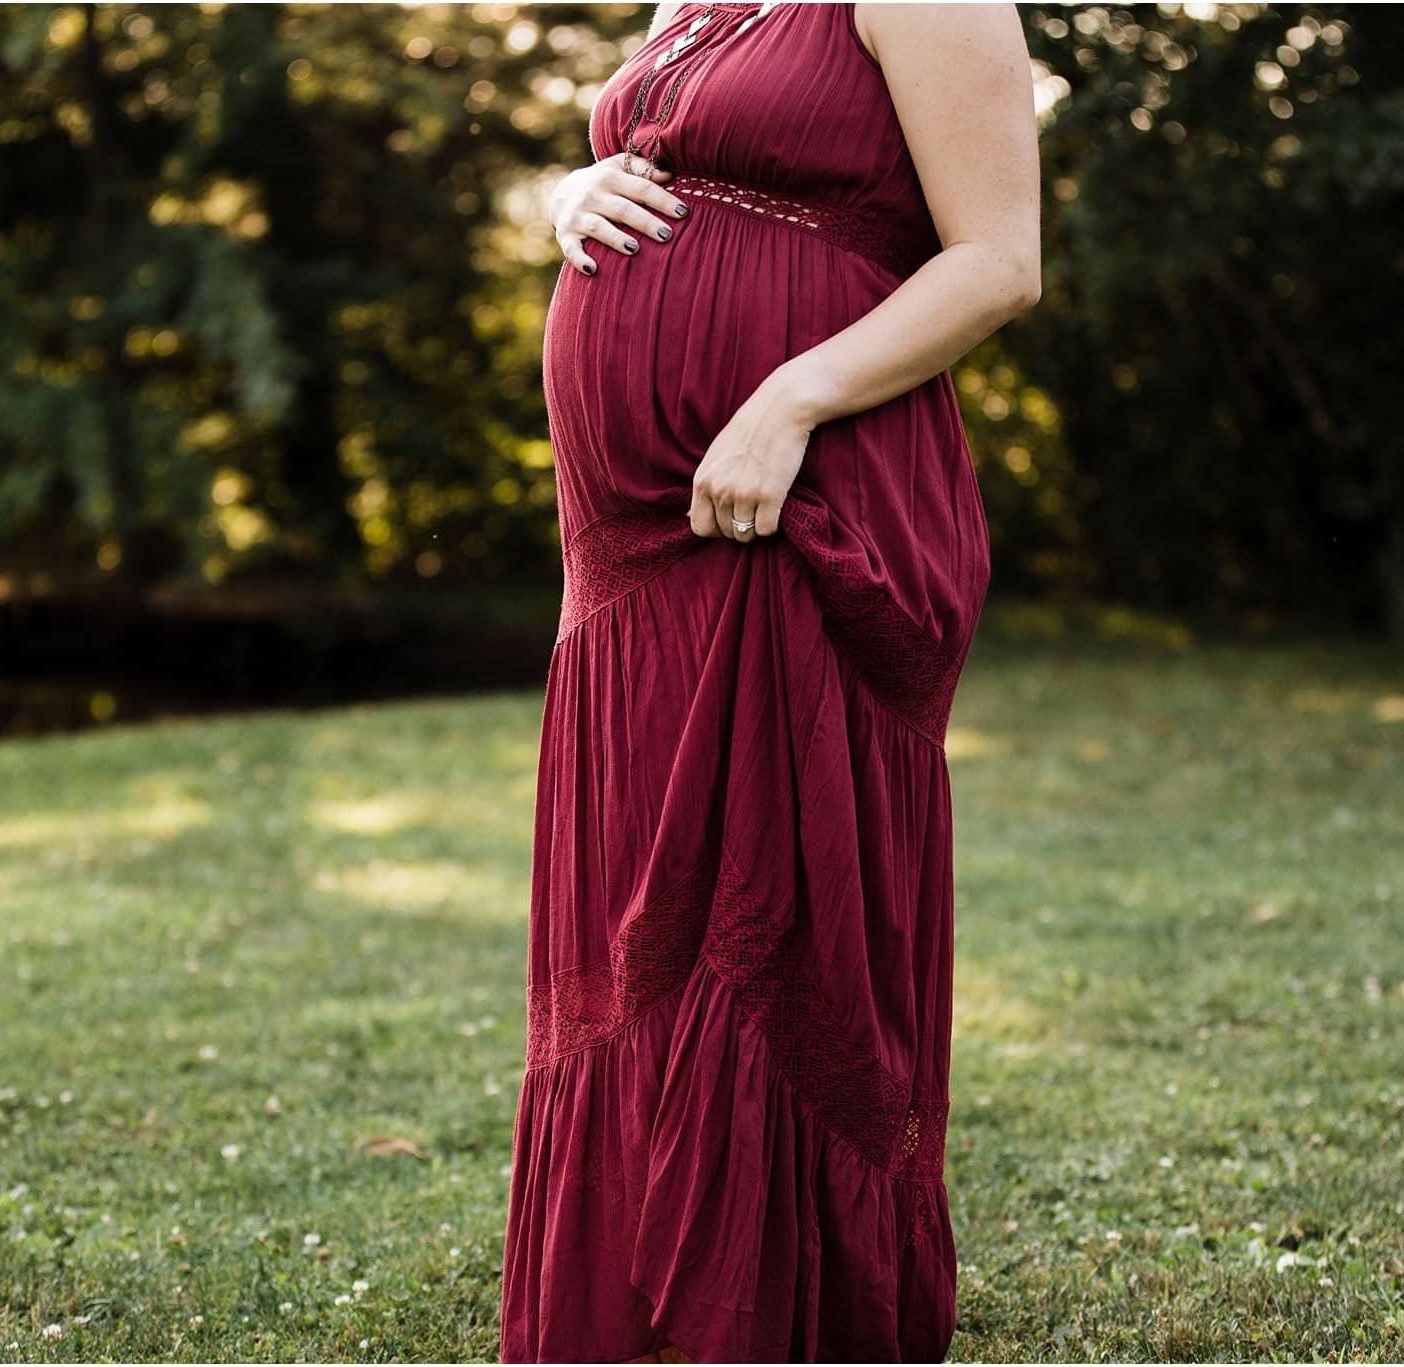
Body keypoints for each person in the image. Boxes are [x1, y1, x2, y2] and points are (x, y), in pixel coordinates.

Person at [498, 2, 1041, 1360]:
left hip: (803, 500)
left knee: (763, 916)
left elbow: (999, 262)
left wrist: (787, 401)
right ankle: (626, 1311)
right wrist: (572, 190)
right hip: (630, 539)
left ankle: (774, 1321)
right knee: (641, 922)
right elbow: (663, 164)